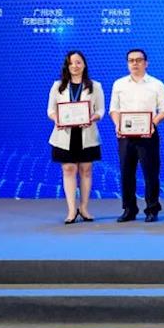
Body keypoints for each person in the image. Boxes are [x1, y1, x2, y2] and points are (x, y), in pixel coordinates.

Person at [109, 49, 164, 223]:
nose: (135, 63)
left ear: (146, 63)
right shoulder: (119, 84)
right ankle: (129, 209)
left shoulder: (157, 84)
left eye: (139, 60)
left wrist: (152, 124)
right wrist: (118, 125)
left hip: (148, 135)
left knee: (151, 173)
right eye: (131, 60)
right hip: (125, 136)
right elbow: (114, 109)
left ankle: (152, 209)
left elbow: (163, 110)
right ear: (127, 63)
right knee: (126, 173)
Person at [47, 50, 104, 224]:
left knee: (86, 170)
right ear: (67, 66)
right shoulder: (58, 86)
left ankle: (84, 208)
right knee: (68, 170)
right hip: (64, 135)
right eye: (71, 63)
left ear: (84, 65)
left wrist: (93, 118)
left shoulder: (95, 86)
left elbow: (101, 110)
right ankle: (72, 210)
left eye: (78, 62)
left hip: (87, 134)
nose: (75, 66)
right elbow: (50, 110)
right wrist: (57, 119)